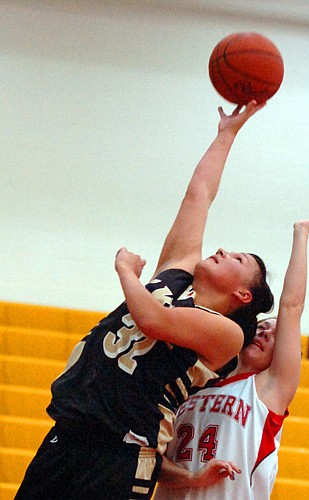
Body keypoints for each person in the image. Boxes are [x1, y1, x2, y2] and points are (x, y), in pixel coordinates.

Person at [15, 101, 274, 500]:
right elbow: (199, 196)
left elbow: (155, 320)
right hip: (67, 435)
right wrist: (226, 135)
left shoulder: (226, 334)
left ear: (243, 294)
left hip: (121, 455)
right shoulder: (178, 269)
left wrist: (125, 272)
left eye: (237, 258)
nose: (223, 249)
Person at [155, 217, 309, 500]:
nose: (266, 333)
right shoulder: (191, 382)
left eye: (275, 337)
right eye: (263, 327)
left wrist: (300, 234)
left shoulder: (268, 391)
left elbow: (291, 307)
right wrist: (192, 478)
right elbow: (155, 464)